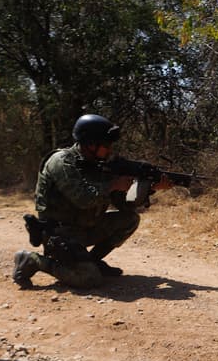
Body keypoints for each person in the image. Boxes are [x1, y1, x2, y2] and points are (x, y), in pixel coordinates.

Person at [12, 114, 151, 289]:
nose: (109, 150)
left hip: (85, 228)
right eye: (106, 145)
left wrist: (147, 188)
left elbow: (124, 206)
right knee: (89, 279)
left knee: (130, 219)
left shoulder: (98, 164)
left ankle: (92, 261)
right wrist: (113, 184)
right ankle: (33, 261)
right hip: (60, 234)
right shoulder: (61, 162)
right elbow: (83, 199)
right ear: (90, 144)